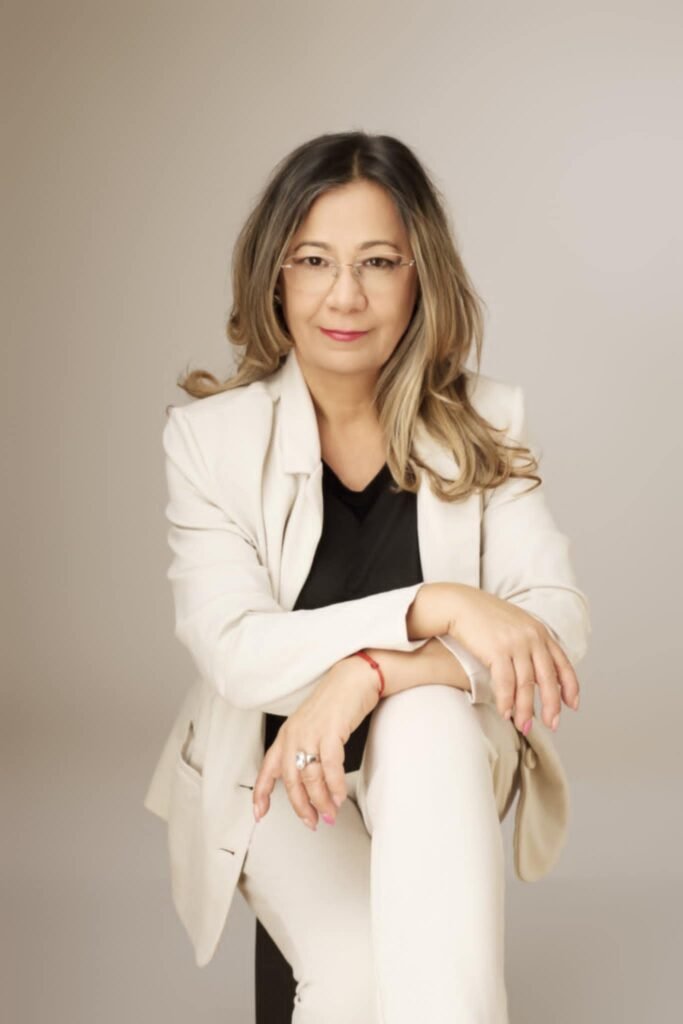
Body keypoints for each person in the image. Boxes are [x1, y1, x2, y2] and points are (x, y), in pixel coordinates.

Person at [143, 131, 591, 1024]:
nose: (344, 295)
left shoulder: (488, 420)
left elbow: (554, 627)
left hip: (437, 759)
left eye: (378, 262)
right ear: (275, 277)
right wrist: (434, 606)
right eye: (314, 261)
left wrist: (372, 673)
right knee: (357, 974)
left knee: (426, 715)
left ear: (420, 277)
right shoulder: (211, 440)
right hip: (278, 766)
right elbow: (236, 651)